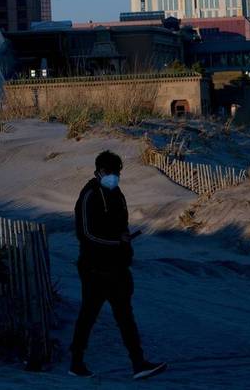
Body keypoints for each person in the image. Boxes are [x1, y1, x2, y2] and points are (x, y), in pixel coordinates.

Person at [69, 150, 167, 380]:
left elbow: (121, 224)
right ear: (99, 171)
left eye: (117, 172)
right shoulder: (89, 195)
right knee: (88, 316)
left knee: (125, 317)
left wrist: (124, 246)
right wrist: (116, 241)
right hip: (94, 268)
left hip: (118, 268)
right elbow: (86, 234)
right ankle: (75, 363)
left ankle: (139, 364)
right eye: (110, 172)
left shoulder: (116, 193)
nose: (114, 176)